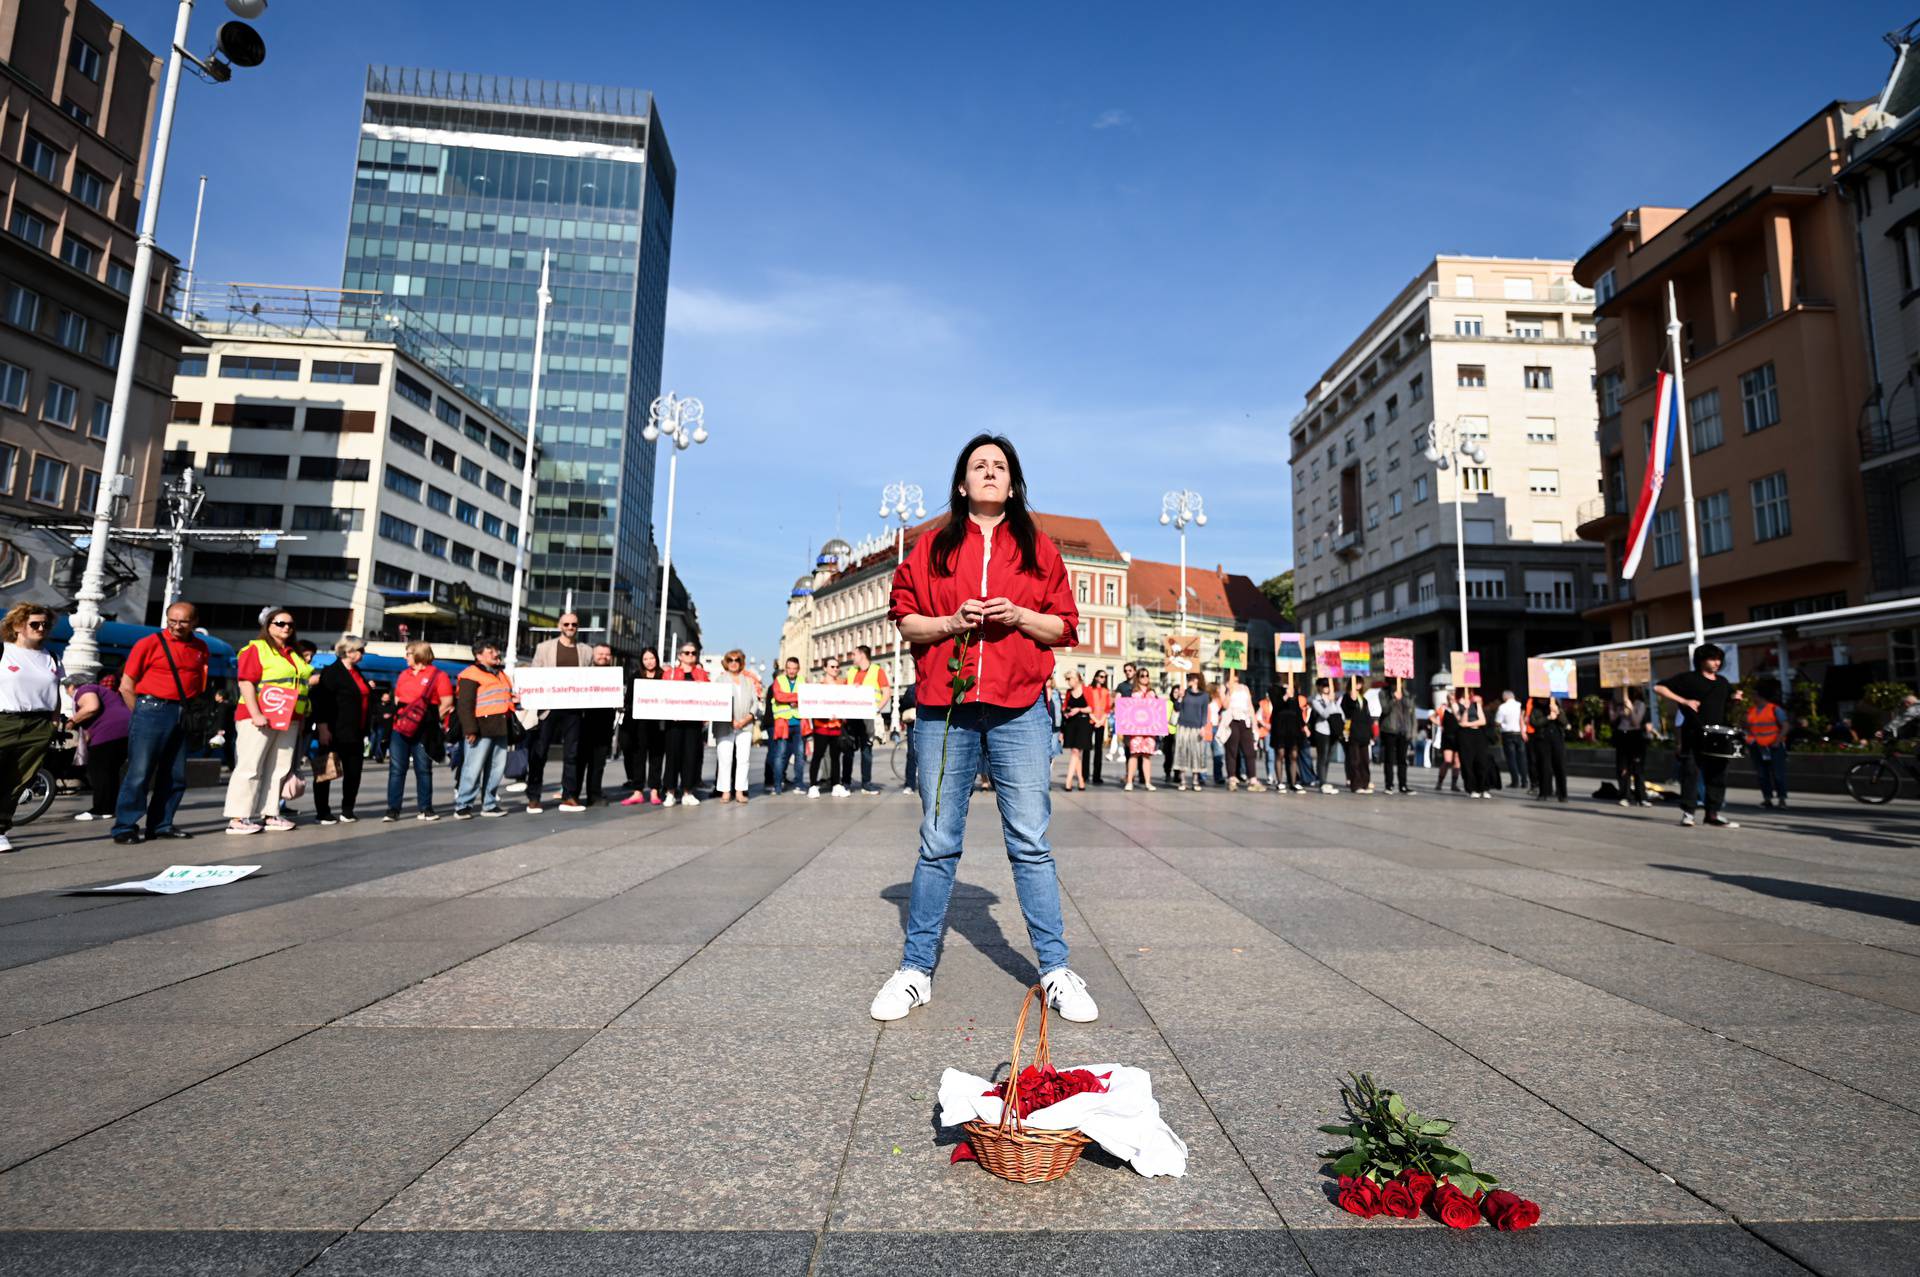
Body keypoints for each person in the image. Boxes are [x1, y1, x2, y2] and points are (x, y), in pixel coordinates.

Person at [869, 432, 1097, 1025]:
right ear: (962, 482)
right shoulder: (932, 546)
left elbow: (1063, 628)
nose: (990, 473)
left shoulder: (1038, 548)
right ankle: (916, 969)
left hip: (1021, 707)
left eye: (1000, 466)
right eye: (980, 466)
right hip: (947, 709)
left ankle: (1055, 969)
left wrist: (1020, 615)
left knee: (1030, 842)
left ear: (1014, 482)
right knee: (939, 841)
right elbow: (906, 621)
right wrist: (950, 620)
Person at [111, 602, 210, 844]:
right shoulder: (149, 643)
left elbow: (200, 683)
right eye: (172, 621)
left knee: (176, 775)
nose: (177, 626)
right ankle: (125, 827)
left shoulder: (200, 647)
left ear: (194, 622)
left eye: (183, 621)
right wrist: (141, 715)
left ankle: (161, 824)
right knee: (140, 772)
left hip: (182, 712)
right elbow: (126, 685)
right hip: (151, 709)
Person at [224, 607, 312, 835]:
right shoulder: (256, 648)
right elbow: (246, 682)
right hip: (259, 716)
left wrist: (300, 718)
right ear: (268, 625)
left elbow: (298, 686)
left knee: (279, 768)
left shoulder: (293, 653)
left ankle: (270, 813)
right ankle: (238, 817)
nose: (286, 628)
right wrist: (255, 713)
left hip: (289, 718)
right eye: (280, 623)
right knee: (250, 766)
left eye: (290, 624)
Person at [1656, 642, 1744, 828]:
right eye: (1712, 659)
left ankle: (1713, 813)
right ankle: (1688, 813)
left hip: (1718, 735)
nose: (1716, 662)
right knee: (1691, 773)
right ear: (1701, 660)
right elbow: (1659, 687)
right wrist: (1684, 701)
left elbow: (1728, 704)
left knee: (1717, 774)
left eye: (1719, 659)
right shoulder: (1688, 679)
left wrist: (1735, 698)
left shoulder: (1722, 682)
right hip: (1694, 733)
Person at [0, 603, 62, 853]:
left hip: (38, 725)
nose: (41, 628)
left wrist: (54, 722)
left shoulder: (52, 657)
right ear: (17, 626)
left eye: (45, 625)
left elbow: (55, 693)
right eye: (34, 624)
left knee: (17, 781)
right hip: (4, 720)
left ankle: (0, 829)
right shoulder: (4, 651)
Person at [524, 612, 588, 813]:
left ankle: (569, 796)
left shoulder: (586, 651)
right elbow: (535, 674)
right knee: (540, 751)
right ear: (560, 626)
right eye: (567, 624)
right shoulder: (545, 648)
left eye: (574, 624)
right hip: (548, 708)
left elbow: (591, 678)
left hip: (574, 709)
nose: (571, 627)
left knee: (572, 753)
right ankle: (533, 797)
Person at [384, 641, 453, 822]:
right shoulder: (404, 675)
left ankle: (426, 808)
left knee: (423, 768)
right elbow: (398, 698)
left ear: (419, 655)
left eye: (408, 653)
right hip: (400, 727)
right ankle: (393, 809)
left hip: (424, 729)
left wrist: (430, 718)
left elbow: (447, 702)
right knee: (397, 769)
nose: (405, 657)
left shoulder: (438, 675)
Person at [310, 635, 373, 825]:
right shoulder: (332, 672)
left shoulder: (357, 672)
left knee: (354, 772)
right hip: (334, 730)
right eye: (360, 650)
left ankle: (347, 810)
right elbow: (320, 702)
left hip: (356, 731)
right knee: (326, 772)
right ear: (349, 651)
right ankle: (323, 812)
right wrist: (322, 728)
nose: (362, 653)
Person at [453, 638, 515, 818]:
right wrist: (470, 730)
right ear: (478, 656)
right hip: (480, 728)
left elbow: (504, 697)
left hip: (500, 726)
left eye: (496, 650)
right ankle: (463, 804)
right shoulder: (470, 674)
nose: (496, 654)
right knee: (473, 767)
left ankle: (489, 803)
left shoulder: (500, 674)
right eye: (491, 651)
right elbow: (465, 705)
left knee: (496, 768)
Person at [69, 668, 129, 823]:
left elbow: (91, 707)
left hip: (109, 732)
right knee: (110, 772)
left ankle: (100, 809)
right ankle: (109, 808)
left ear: (71, 687)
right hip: (126, 731)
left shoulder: (85, 689)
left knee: (98, 771)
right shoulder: (104, 692)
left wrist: (72, 721)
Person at [662, 640, 710, 805]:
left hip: (693, 723)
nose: (691, 656)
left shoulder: (702, 674)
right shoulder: (671, 673)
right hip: (674, 723)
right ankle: (670, 791)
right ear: (680, 655)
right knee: (673, 756)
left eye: (694, 653)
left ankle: (688, 791)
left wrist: (706, 715)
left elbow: (708, 695)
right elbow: (663, 695)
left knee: (691, 756)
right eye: (687, 653)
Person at [620, 647, 667, 806]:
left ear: (657, 659)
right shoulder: (635, 676)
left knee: (656, 756)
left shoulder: (664, 676)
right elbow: (628, 700)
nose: (649, 662)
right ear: (642, 661)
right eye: (646, 659)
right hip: (639, 724)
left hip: (658, 724)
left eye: (652, 658)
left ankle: (655, 790)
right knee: (638, 756)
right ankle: (637, 791)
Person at [576, 644, 619, 807]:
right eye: (600, 654)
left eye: (607, 654)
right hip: (584, 722)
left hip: (604, 723)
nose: (604, 657)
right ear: (593, 655)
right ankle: (574, 793)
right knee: (580, 761)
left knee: (598, 762)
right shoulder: (585, 672)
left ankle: (594, 794)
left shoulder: (614, 674)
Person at [714, 648, 758, 803]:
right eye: (730, 660)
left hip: (745, 725)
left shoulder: (749, 681)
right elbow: (717, 700)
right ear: (726, 662)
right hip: (725, 725)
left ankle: (740, 791)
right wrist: (730, 719)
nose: (734, 663)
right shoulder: (720, 680)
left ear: (741, 662)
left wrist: (748, 717)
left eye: (737, 660)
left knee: (743, 759)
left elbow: (755, 702)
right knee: (725, 758)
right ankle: (725, 791)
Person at [844, 645, 888, 795]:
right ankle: (846, 782)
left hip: (868, 717)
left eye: (854, 654)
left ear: (862, 655)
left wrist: (877, 709)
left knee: (866, 750)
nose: (852, 657)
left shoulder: (877, 671)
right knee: (848, 750)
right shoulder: (851, 672)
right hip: (851, 717)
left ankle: (866, 783)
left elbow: (886, 692)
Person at [805, 654, 851, 798]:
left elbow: (848, 701)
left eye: (837, 667)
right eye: (832, 666)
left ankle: (836, 784)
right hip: (821, 726)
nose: (835, 669)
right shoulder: (819, 686)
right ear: (825, 668)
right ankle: (813, 785)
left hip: (836, 726)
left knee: (835, 756)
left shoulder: (843, 685)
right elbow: (814, 706)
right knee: (818, 755)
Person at [1744, 681, 1791, 810]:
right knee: (1762, 774)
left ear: (1760, 696)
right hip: (1757, 747)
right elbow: (1748, 727)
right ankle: (1767, 798)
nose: (1752, 697)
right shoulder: (1751, 711)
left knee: (1777, 774)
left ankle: (1782, 799)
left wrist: (1778, 740)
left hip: (1774, 746)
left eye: (1754, 695)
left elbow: (1785, 726)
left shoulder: (1774, 709)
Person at [1117, 667, 1162, 791]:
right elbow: (1125, 708)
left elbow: (1157, 710)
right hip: (1135, 729)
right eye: (1142, 675)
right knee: (1134, 754)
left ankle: (1148, 782)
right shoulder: (1132, 692)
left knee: (1147, 756)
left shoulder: (1152, 692)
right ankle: (1130, 781)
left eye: (1147, 675)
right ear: (1138, 677)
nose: (1145, 677)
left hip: (1149, 730)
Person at [767, 656, 806, 795]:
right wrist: (797, 697)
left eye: (794, 668)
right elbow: (778, 696)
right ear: (785, 668)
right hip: (783, 722)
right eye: (789, 668)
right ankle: (777, 785)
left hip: (799, 722)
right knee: (780, 755)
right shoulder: (779, 680)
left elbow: (807, 696)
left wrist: (793, 697)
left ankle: (799, 784)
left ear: (798, 669)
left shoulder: (802, 680)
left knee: (800, 755)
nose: (791, 671)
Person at [1611, 691, 1652, 807]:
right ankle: (1625, 795)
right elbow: (1612, 719)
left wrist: (1630, 709)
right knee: (1623, 768)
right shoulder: (1617, 704)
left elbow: (1636, 721)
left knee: (1638, 769)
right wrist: (1619, 711)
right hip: (1622, 737)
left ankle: (1641, 797)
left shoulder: (1640, 704)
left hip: (1636, 738)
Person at [1173, 673, 1211, 791]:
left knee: (1197, 753)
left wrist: (1203, 727)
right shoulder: (1185, 693)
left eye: (1189, 678)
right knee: (1182, 752)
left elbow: (1204, 712)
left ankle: (1195, 780)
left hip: (1197, 727)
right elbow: (1177, 708)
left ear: (1195, 680)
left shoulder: (1204, 696)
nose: (1187, 680)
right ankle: (1183, 780)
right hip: (1183, 725)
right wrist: (1179, 697)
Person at [1530, 696, 1569, 802]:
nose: (1542, 700)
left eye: (1544, 698)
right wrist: (1548, 718)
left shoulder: (1556, 708)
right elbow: (1534, 723)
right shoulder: (1536, 709)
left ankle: (1562, 794)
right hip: (1542, 740)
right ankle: (1544, 793)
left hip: (1557, 740)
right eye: (1540, 698)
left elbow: (1564, 722)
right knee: (1544, 767)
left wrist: (1557, 713)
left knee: (1560, 767)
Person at [1456, 689, 1493, 798]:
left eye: (1479, 700)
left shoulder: (1479, 707)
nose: (1476, 701)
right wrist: (1466, 710)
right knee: (1468, 763)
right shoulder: (1460, 707)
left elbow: (1482, 721)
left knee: (1482, 762)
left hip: (1478, 735)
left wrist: (1468, 723)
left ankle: (1484, 788)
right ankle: (1472, 789)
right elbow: (1462, 722)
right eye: (1475, 699)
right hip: (1465, 737)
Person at [1341, 677, 1374, 793]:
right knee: (1355, 760)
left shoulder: (1364, 700)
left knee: (1365, 760)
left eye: (1360, 682)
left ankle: (1365, 783)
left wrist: (1371, 734)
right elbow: (1346, 711)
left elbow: (1368, 717)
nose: (1358, 684)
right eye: (1356, 682)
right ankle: (1356, 784)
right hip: (1353, 732)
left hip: (1364, 733)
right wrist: (1352, 699)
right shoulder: (1346, 697)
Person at [1060, 670, 1091, 791]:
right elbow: (1065, 707)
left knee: (1075, 752)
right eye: (1067, 679)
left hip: (1083, 723)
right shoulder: (1068, 692)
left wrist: (1078, 709)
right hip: (1071, 723)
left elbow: (1090, 708)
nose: (1068, 682)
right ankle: (1081, 781)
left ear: (1077, 678)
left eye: (1069, 679)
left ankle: (1068, 780)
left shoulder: (1086, 690)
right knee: (1076, 753)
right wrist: (1066, 712)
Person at [1310, 679, 1342, 795]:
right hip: (1322, 731)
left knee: (1328, 758)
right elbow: (1324, 714)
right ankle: (1322, 781)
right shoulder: (1316, 700)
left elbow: (1339, 712)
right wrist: (1330, 703)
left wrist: (1334, 702)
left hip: (1332, 732)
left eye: (1328, 686)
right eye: (1324, 686)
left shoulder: (1333, 699)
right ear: (1319, 687)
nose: (1327, 688)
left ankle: (1324, 779)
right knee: (1322, 757)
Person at [1495, 690, 1529, 791]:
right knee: (1522, 758)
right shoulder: (1520, 706)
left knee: (1511, 758)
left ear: (1505, 697)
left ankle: (1515, 781)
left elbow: (1497, 722)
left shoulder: (1503, 707)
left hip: (1508, 734)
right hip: (1520, 733)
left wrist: (1502, 725)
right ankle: (1524, 781)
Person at [1085, 669, 1114, 785]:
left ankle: (1097, 776)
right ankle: (1084, 775)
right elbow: (1086, 705)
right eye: (1101, 676)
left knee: (1098, 750)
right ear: (1096, 677)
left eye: (1105, 677)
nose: (1103, 679)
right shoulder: (1089, 689)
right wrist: (1094, 719)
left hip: (1101, 722)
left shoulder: (1106, 691)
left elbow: (1107, 708)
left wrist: (1101, 720)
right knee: (1086, 748)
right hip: (1090, 720)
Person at [1433, 690, 1462, 793]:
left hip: (1458, 737)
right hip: (1447, 737)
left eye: (1453, 698)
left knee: (1457, 761)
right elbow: (1432, 717)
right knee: (1447, 760)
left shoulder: (1459, 708)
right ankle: (1439, 782)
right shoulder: (1443, 709)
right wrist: (1439, 723)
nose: (1451, 700)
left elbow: (1461, 720)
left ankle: (1454, 784)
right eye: (1450, 698)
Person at [368, 690, 394, 763]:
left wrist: (389, 716)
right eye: (385, 698)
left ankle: (384, 755)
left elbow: (394, 714)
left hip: (389, 727)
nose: (386, 699)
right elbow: (373, 716)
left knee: (386, 743)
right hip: (379, 726)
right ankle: (378, 756)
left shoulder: (391, 706)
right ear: (382, 698)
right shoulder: (377, 706)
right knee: (379, 742)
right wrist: (382, 716)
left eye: (387, 698)